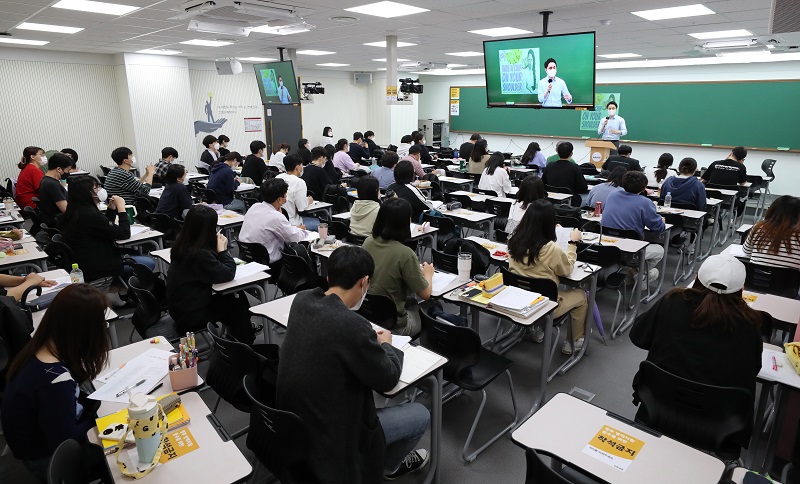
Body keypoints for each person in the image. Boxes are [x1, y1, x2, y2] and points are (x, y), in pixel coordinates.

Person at [277, 246, 430, 483]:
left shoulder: (302, 299)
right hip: (335, 436)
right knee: (420, 414)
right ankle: (388, 467)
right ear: (364, 282)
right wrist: (388, 345)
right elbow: (388, 379)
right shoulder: (351, 325)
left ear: (329, 277)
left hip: (295, 424)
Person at [2, 284, 110, 480]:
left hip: (37, 446)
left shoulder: (38, 349)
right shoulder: (55, 381)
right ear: (84, 330)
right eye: (101, 324)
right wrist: (101, 421)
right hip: (50, 458)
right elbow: (65, 438)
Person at [630, 254, 765, 402]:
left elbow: (638, 336)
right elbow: (752, 369)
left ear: (696, 278)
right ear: (741, 289)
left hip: (658, 400)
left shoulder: (672, 301)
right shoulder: (750, 322)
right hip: (720, 417)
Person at [167, 205, 257, 343]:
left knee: (235, 297)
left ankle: (243, 332)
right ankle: (245, 343)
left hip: (180, 308)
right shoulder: (199, 255)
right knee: (236, 305)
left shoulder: (181, 244)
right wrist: (223, 251)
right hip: (191, 315)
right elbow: (228, 274)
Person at [59, 176, 155, 304]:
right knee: (148, 262)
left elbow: (104, 227)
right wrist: (122, 209)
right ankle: (114, 290)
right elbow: (124, 234)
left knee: (135, 254)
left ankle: (115, 289)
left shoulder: (75, 212)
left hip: (87, 260)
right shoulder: (90, 214)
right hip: (99, 265)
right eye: (96, 188)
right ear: (87, 193)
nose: (100, 190)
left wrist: (111, 209)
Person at [508, 200, 586, 353]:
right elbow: (567, 269)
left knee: (535, 286)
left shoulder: (514, 239)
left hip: (517, 298)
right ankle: (573, 342)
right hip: (543, 305)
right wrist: (572, 243)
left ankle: (537, 330)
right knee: (581, 296)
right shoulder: (551, 248)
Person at [363, 198, 433, 336]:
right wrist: (428, 273)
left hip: (369, 317)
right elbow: (426, 294)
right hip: (395, 326)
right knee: (432, 307)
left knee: (411, 301)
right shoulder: (405, 254)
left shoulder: (367, 242)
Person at [602, 171, 666, 283]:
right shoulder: (645, 202)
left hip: (607, 245)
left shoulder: (612, 195)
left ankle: (635, 274)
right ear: (643, 188)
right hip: (631, 249)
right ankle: (642, 278)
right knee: (660, 250)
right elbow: (658, 228)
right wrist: (661, 221)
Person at [239, 178, 310, 276]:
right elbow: (293, 238)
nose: (286, 196)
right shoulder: (275, 217)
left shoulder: (255, 207)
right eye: (286, 194)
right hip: (269, 263)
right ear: (280, 199)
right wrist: (300, 230)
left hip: (247, 257)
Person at [742, 195, 800, 270]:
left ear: (771, 211)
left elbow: (746, 252)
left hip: (756, 279)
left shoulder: (759, 227)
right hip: (789, 280)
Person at [701, 146, 748, 219]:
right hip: (730, 201)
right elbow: (743, 183)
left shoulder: (715, 163)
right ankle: (736, 220)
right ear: (742, 159)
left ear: (731, 153)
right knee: (744, 195)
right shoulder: (741, 167)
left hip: (711, 198)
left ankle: (710, 217)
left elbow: (703, 180)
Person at [276, 154, 316, 230]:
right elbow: (301, 208)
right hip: (293, 223)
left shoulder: (278, 177)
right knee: (320, 223)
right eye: (301, 165)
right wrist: (308, 201)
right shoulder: (299, 182)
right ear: (297, 167)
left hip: (278, 221)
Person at [541, 141, 587, 206]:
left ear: (558, 153)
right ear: (571, 154)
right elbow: (583, 188)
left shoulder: (549, 166)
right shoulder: (575, 168)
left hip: (551, 200)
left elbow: (542, 183)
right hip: (571, 202)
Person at [37, 152, 73, 225]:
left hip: (52, 219)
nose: (68, 173)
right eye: (68, 170)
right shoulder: (52, 185)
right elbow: (66, 210)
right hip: (59, 222)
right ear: (59, 169)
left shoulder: (45, 179)